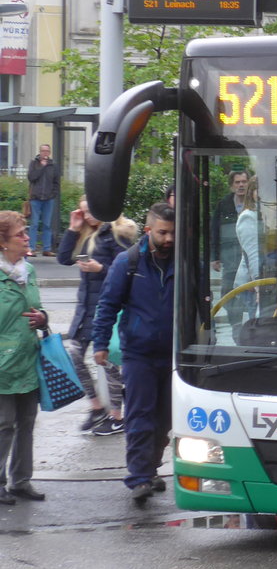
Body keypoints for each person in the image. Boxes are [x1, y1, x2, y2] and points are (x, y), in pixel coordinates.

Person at [92, 203, 175, 503]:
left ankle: (151, 470)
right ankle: (138, 477)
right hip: (138, 354)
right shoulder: (127, 262)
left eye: (173, 234)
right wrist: (100, 343)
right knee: (140, 416)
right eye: (163, 233)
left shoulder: (184, 261)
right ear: (149, 229)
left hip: (173, 356)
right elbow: (107, 305)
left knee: (165, 420)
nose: (169, 239)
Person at [56, 198, 139, 435]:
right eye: (83, 212)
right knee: (73, 355)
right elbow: (63, 258)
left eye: (90, 211)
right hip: (85, 309)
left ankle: (116, 416)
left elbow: (128, 268)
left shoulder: (117, 234)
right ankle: (96, 406)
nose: (88, 216)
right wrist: (73, 228)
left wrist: (100, 268)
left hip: (109, 307)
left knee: (109, 363)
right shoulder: (84, 234)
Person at [0, 210, 50, 504]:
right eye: (21, 234)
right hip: (2, 364)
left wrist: (42, 318)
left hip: (27, 359)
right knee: (4, 424)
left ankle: (21, 481)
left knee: (27, 422)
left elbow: (37, 308)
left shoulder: (28, 271)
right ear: (3, 242)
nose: (27, 238)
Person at [211, 170, 250, 328]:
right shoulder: (224, 204)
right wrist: (215, 256)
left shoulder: (255, 203)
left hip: (250, 260)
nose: (241, 185)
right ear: (231, 186)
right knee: (228, 294)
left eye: (244, 182)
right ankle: (236, 327)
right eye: (237, 182)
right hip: (230, 259)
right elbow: (215, 229)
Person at [232, 177, 263, 330]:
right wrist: (259, 287)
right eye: (260, 190)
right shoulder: (248, 217)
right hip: (254, 285)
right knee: (258, 329)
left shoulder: (265, 214)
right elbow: (253, 254)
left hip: (266, 280)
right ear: (252, 192)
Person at [26, 143, 61, 256]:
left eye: (47, 151)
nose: (45, 153)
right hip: (35, 198)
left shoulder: (53, 165)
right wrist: (41, 167)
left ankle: (47, 248)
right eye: (43, 151)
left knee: (47, 224)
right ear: (40, 152)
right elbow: (31, 177)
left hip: (48, 199)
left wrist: (53, 194)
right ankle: (32, 248)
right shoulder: (34, 163)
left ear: (49, 153)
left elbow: (56, 182)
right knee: (34, 224)